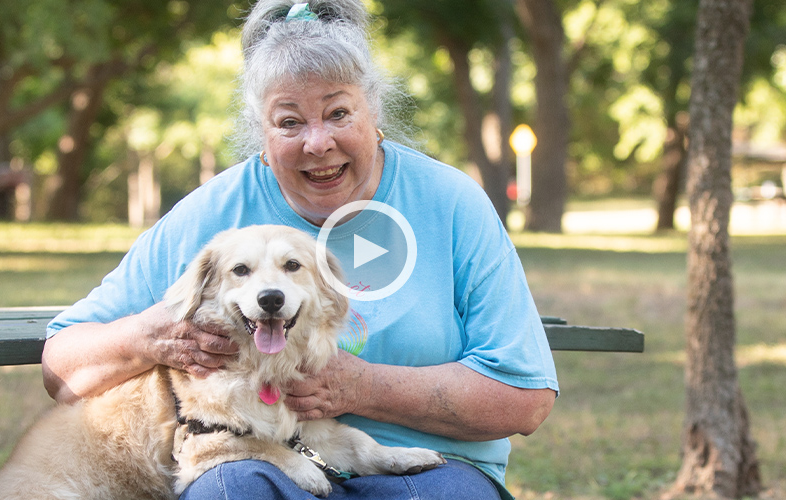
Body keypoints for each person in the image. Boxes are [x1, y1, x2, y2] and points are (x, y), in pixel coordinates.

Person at [42, 0, 559, 498]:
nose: (317, 143)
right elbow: (63, 368)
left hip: (424, 468)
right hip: (255, 462)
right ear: (259, 131)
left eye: (338, 113)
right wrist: (150, 336)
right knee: (229, 491)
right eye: (289, 121)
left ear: (372, 108)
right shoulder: (213, 214)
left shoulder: (449, 202)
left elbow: (524, 398)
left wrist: (361, 388)